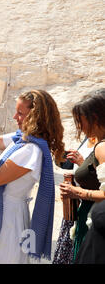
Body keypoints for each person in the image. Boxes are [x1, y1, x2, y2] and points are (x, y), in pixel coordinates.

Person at [0, 89, 65, 263]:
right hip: (1, 210)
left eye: (20, 113)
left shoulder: (31, 150)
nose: (15, 117)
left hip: (7, 219)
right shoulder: (23, 139)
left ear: (35, 117)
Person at [59, 89, 105, 263]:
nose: (79, 126)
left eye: (80, 120)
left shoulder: (102, 148)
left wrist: (75, 192)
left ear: (95, 118)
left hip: (96, 224)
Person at [52, 136, 98, 264]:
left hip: (92, 210)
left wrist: (82, 162)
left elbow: (99, 181)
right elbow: (69, 165)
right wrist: (58, 153)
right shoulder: (89, 138)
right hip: (76, 206)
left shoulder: (102, 144)